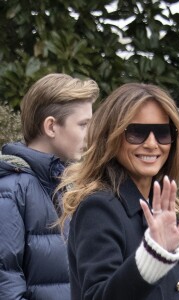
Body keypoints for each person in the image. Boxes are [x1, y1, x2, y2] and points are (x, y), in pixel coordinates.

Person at [59, 82, 179, 299]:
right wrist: (153, 257)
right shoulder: (99, 208)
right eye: (137, 133)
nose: (152, 144)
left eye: (163, 133)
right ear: (112, 137)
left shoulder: (166, 211)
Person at [0, 73, 99, 300]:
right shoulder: (10, 191)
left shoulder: (64, 188)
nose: (91, 136)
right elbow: (6, 288)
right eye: (83, 125)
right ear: (51, 126)